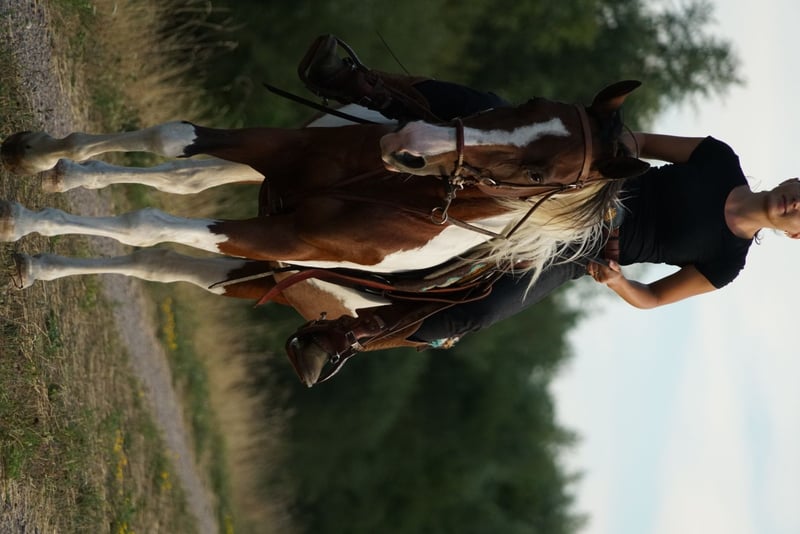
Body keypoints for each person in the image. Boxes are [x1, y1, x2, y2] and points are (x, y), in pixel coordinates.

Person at [291, 35, 800, 371]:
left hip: (578, 248)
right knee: (488, 110)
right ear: (794, 180)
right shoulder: (719, 158)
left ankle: (350, 335)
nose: (795, 204)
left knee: (483, 309)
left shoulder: (727, 262)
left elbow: (653, 298)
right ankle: (366, 86)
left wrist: (618, 282)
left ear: (795, 234)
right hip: (591, 183)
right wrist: (603, 147)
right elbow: (641, 142)